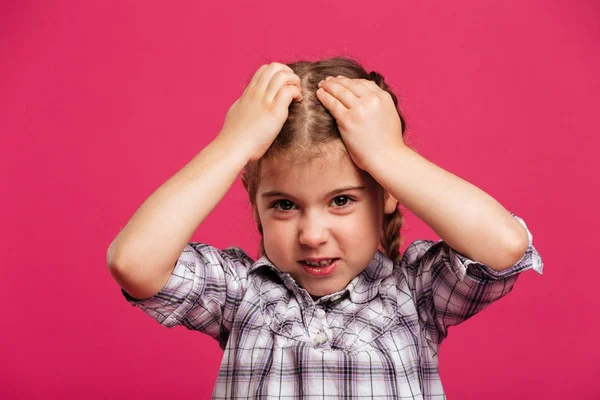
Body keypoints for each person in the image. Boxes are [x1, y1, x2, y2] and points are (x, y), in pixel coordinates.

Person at [107, 57, 544, 399]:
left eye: (341, 200)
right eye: (284, 205)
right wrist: (233, 144)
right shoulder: (240, 294)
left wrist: (389, 157)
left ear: (388, 190)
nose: (312, 235)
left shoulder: (416, 292)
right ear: (255, 203)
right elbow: (134, 263)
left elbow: (503, 246)